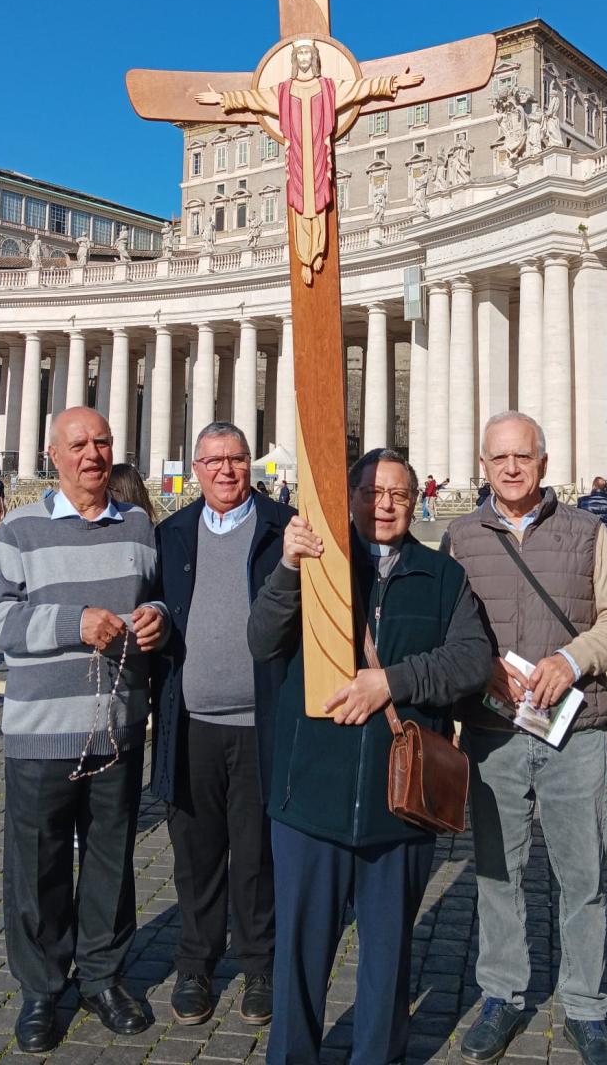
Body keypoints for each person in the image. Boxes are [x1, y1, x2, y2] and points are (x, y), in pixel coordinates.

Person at [249, 447, 492, 1065]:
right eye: (370, 494)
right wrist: (285, 570)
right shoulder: (315, 563)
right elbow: (261, 638)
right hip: (311, 793)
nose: (384, 506)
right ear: (349, 498)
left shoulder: (442, 577)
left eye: (398, 495)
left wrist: (392, 682)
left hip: (401, 802)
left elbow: (469, 662)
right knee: (299, 957)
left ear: (416, 501)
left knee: (388, 959)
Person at [443, 412, 607, 1065]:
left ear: (544, 463)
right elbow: (449, 631)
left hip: (575, 732)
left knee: (582, 878)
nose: (510, 468)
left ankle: (585, 1007)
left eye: (522, 456)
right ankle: (501, 995)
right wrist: (479, 667)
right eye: (498, 458)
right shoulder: (461, 537)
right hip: (493, 733)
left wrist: (574, 659)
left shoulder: (587, 531)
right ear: (483, 465)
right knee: (498, 874)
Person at [0, 407, 167, 1055]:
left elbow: (159, 593)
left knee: (112, 864)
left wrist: (157, 619)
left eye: (103, 442)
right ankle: (40, 990)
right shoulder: (22, 529)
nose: (93, 454)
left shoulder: (139, 524)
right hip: (39, 731)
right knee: (38, 866)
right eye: (80, 444)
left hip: (115, 728)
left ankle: (104, 978)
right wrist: (71, 624)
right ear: (53, 455)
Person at [150, 422, 294, 1029]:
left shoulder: (284, 527)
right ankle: (196, 963)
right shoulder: (172, 533)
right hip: (191, 719)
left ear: (251, 466)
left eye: (237, 459)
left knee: (257, 854)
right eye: (214, 461)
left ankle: (260, 964)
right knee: (196, 852)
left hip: (264, 719)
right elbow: (155, 605)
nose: (226, 471)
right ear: (197, 467)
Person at [197, 40, 423, 285]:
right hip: (296, 156)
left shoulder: (329, 88)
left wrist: (393, 82)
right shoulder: (282, 92)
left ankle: (317, 251)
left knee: (319, 201)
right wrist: (221, 98)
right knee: (299, 204)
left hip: (318, 154)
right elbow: (252, 98)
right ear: (295, 60)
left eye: (308, 53)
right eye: (300, 53)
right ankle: (305, 255)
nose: (304, 57)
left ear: (314, 58)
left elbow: (360, 88)